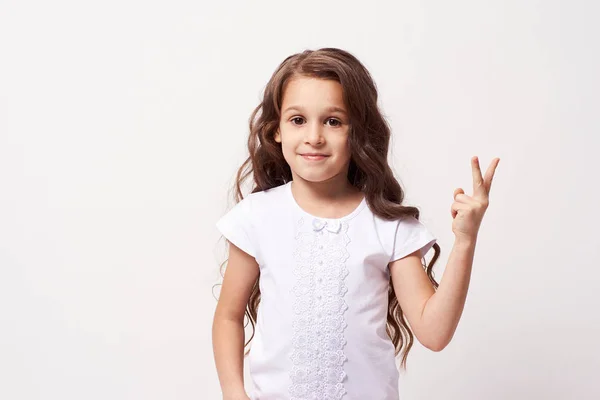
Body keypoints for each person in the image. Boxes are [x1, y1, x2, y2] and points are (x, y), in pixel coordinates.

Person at [212, 47, 499, 400]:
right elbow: (228, 316)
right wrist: (233, 393)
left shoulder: (387, 225)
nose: (314, 137)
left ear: (358, 132)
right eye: (298, 120)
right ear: (276, 131)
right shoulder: (256, 217)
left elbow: (434, 332)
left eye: (333, 121)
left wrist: (465, 241)